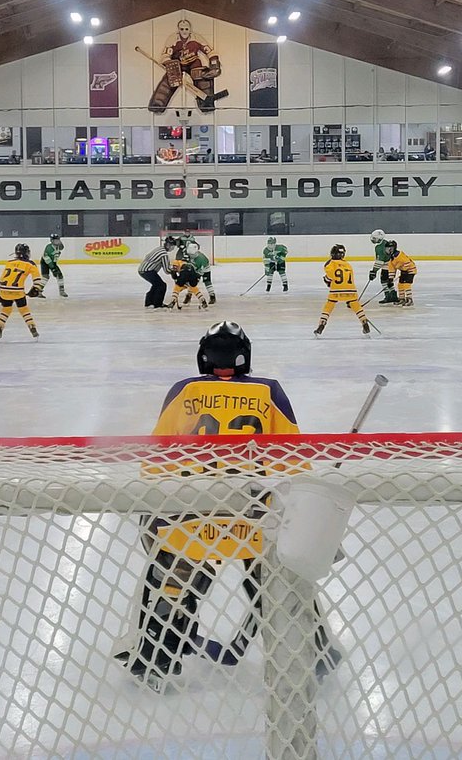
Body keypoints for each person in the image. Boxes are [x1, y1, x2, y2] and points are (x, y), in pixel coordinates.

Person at [115, 321, 342, 693]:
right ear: (244, 357)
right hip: (253, 518)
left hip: (192, 513)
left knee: (170, 582)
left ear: (204, 357)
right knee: (277, 583)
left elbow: (157, 460)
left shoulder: (184, 390)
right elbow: (292, 462)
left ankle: (154, 657)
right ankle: (314, 654)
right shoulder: (269, 392)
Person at [315, 244, 371, 337]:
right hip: (350, 289)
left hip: (336, 290)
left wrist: (326, 280)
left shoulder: (330, 263)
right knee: (356, 305)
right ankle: (364, 321)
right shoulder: (347, 264)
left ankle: (322, 324)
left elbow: (330, 276)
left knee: (329, 305)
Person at [0, 243, 41, 342]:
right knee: (23, 309)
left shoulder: (9, 262)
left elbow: (3, 278)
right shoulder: (30, 264)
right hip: (18, 291)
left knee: (6, 309)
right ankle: (32, 326)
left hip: (4, 289)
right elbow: (37, 279)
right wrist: (36, 289)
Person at [138, 236, 176, 308]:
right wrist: (174, 271)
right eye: (172, 246)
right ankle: (158, 304)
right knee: (162, 285)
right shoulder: (164, 254)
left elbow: (147, 256)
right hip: (148, 271)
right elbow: (167, 270)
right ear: (168, 245)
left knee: (156, 284)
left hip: (142, 269)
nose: (172, 248)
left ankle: (149, 302)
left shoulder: (159, 248)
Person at [383, 240, 417, 308]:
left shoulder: (400, 255)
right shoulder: (391, 259)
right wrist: (390, 279)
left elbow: (407, 263)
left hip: (410, 271)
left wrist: (405, 270)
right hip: (404, 271)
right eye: (387, 248)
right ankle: (402, 299)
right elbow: (392, 269)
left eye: (390, 248)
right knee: (400, 284)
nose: (389, 250)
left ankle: (409, 299)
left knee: (406, 284)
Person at [369, 228, 397, 304]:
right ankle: (393, 295)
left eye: (375, 238)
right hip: (392, 265)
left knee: (384, 280)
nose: (373, 240)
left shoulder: (379, 247)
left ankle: (389, 296)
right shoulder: (386, 243)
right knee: (388, 281)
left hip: (387, 266)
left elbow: (379, 261)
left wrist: (374, 271)